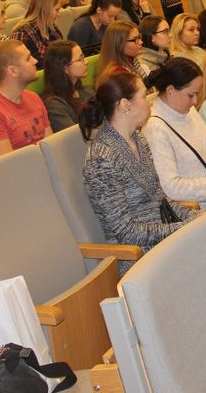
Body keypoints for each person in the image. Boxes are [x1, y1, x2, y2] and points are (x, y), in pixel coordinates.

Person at [80, 70, 197, 273]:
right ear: (125, 105)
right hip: (138, 255)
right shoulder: (101, 158)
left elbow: (160, 200)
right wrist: (182, 227)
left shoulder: (138, 139)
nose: (150, 102)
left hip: (162, 238)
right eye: (144, 96)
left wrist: (194, 217)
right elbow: (126, 232)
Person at [142, 58, 206, 209]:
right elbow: (171, 187)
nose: (195, 101)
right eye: (191, 95)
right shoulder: (155, 128)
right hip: (204, 209)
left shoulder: (186, 109)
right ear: (170, 90)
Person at [0, 39, 52, 160]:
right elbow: (9, 166)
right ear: (12, 71)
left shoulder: (33, 98)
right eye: (28, 58)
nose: (35, 61)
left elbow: (50, 146)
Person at [42, 40, 94, 132]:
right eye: (80, 59)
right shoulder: (54, 105)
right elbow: (75, 136)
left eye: (83, 57)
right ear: (65, 68)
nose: (86, 62)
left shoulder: (88, 91)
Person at [10, 0, 63, 68]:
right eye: (57, 10)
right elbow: (19, 66)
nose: (59, 14)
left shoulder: (52, 27)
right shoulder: (21, 32)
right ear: (45, 10)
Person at [96, 20, 148, 85]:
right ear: (120, 45)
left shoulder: (132, 61)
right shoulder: (117, 74)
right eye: (135, 39)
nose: (141, 42)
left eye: (139, 37)